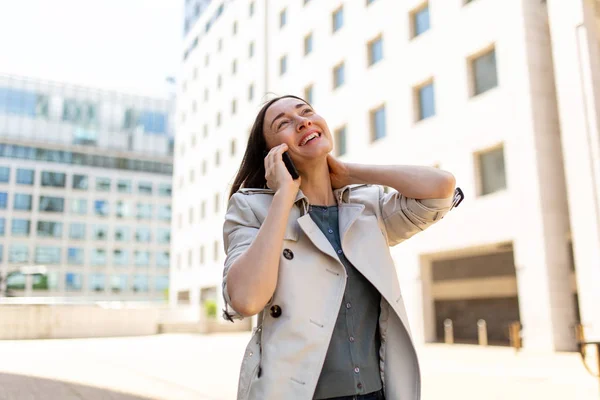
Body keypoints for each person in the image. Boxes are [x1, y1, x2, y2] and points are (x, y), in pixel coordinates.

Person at [222, 95, 457, 400]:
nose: (302, 121)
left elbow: (440, 187)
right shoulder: (251, 208)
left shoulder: (367, 207)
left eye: (306, 112)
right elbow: (246, 299)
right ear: (271, 154)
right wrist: (284, 195)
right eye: (284, 123)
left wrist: (350, 173)